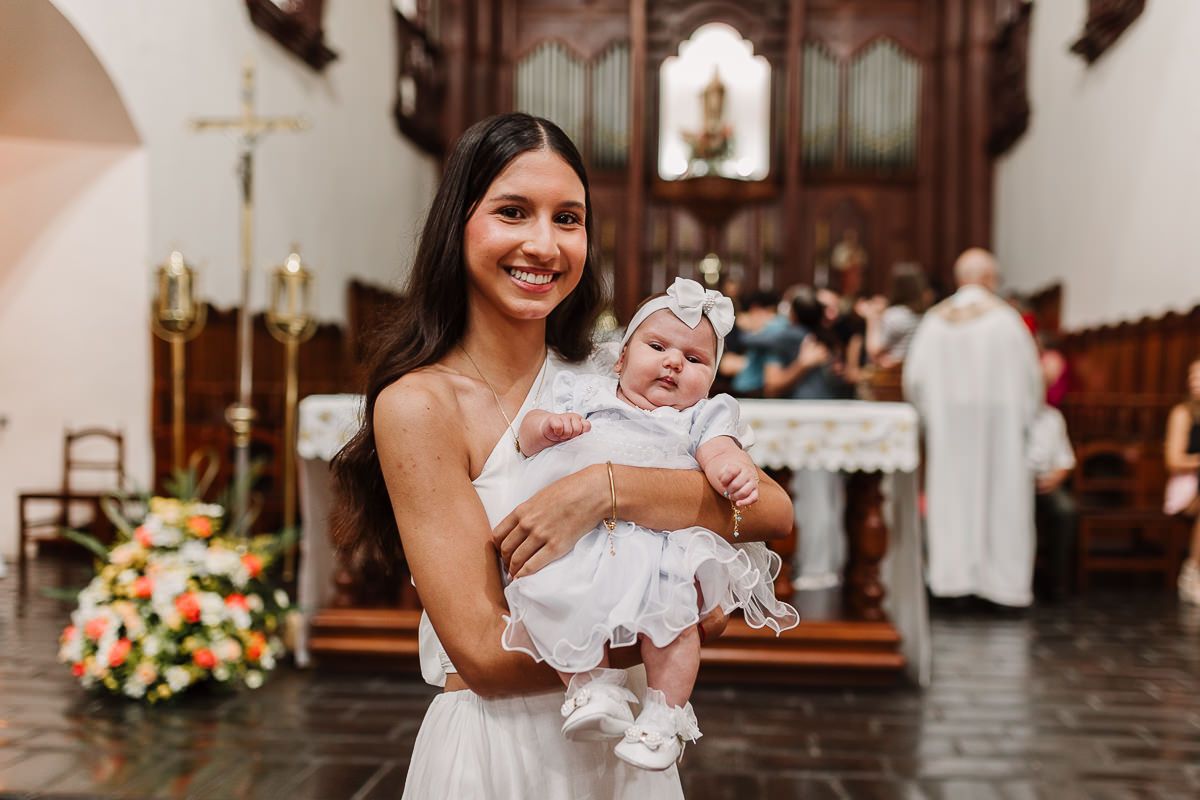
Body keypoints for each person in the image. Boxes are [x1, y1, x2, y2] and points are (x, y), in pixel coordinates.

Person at [329, 113, 794, 799]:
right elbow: (487, 656)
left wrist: (605, 490)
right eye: (513, 212)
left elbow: (772, 510)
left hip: (628, 749)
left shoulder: (607, 379)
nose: (543, 244)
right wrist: (676, 627)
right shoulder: (422, 404)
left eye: (568, 219)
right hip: (503, 748)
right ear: (458, 224)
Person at [503, 278, 799, 770]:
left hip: (661, 544)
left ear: (710, 380)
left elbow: (721, 451)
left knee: (675, 622)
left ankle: (664, 718)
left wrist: (732, 472)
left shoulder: (700, 417)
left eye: (695, 359)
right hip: (584, 539)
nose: (673, 362)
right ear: (620, 359)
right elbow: (527, 435)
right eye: (657, 346)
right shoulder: (587, 393)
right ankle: (590, 688)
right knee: (554, 592)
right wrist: (549, 427)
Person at [903, 248, 1043, 608]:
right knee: (1002, 501)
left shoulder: (935, 321)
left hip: (949, 431)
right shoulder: (1009, 321)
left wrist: (933, 419)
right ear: (991, 279)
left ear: (958, 278)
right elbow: (1032, 383)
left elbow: (914, 381)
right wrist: (1024, 422)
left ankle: (952, 584)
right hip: (1002, 432)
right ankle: (1003, 588)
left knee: (952, 500)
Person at [1027, 370, 1078, 600]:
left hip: (1047, 483)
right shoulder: (1010, 417)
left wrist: (1055, 478)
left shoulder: (1053, 418)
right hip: (1016, 486)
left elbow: (1066, 460)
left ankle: (1056, 580)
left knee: (1066, 510)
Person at [1165, 358, 1200, 604]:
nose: (1194, 382)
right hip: (1186, 486)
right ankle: (1192, 573)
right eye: (1192, 376)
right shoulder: (1182, 413)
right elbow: (1173, 460)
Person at [856, 262, 929, 367]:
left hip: (891, 377)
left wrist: (872, 317)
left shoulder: (895, 315)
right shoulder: (925, 316)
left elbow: (874, 351)